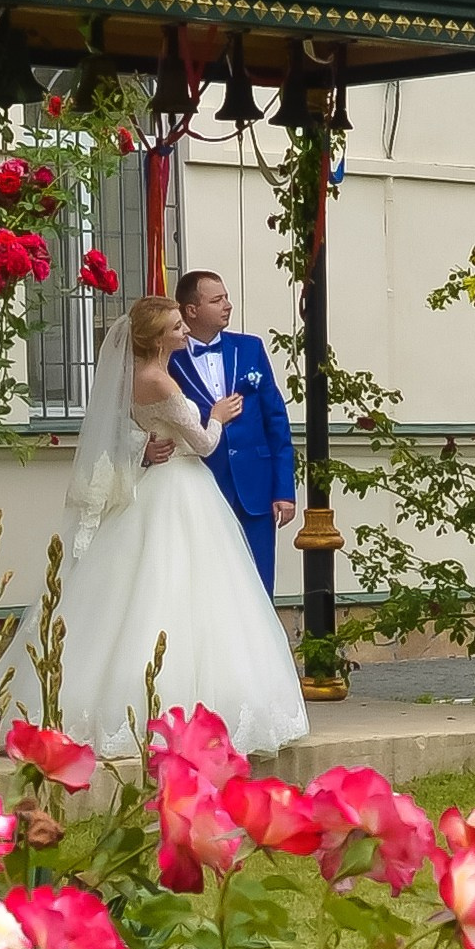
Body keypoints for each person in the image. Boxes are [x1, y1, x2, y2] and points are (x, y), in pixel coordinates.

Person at [57, 294, 308, 759]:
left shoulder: (131, 377)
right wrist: (215, 416)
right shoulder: (162, 383)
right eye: (176, 327)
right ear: (157, 338)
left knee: (137, 589)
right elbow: (206, 445)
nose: (185, 333)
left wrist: (143, 447)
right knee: (187, 590)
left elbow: (120, 429)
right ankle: (183, 707)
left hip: (155, 487)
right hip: (183, 489)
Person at [166, 269, 297, 590]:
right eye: (217, 299)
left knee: (258, 581)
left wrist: (284, 489)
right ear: (191, 310)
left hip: (256, 488)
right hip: (202, 485)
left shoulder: (250, 349)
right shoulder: (169, 359)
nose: (228, 305)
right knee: (208, 586)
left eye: (226, 297)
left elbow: (276, 420)